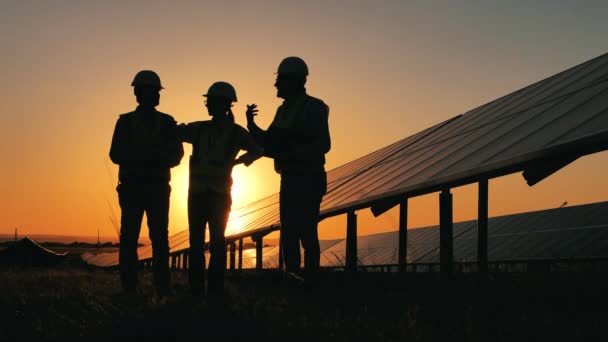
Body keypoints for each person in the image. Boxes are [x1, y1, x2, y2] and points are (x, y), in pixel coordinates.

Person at [246, 56, 331, 281]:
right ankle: (293, 276)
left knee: (306, 230)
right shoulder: (282, 111)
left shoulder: (313, 107)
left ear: (293, 81)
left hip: (308, 177)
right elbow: (270, 143)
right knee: (289, 230)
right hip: (290, 178)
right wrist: (251, 127)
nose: (275, 85)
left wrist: (290, 153)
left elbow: (323, 144)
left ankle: (310, 279)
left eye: (280, 80)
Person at [177, 81, 262, 299]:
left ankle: (199, 291)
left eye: (210, 101)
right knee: (216, 243)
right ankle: (213, 291)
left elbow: (177, 132)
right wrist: (240, 161)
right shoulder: (234, 132)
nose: (207, 105)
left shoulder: (201, 129)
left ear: (221, 104)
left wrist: (238, 162)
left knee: (199, 244)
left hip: (201, 196)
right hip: (217, 195)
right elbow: (257, 150)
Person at [109, 70, 184, 300]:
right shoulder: (125, 122)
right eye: (154, 91)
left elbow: (177, 155)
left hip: (156, 188)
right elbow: (115, 154)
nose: (157, 96)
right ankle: (131, 289)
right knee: (132, 239)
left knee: (158, 239)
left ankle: (161, 289)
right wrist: (148, 156)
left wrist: (153, 157)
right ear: (141, 93)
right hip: (137, 188)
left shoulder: (167, 122)